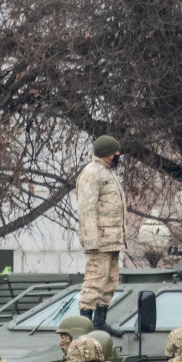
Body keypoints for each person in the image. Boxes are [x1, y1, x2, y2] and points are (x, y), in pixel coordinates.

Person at [74, 134, 126, 333]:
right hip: (100, 241)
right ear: (107, 154)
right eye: (115, 152)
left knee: (110, 281)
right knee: (94, 282)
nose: (118, 155)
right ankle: (85, 326)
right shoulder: (92, 173)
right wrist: (91, 241)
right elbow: (87, 209)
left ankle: (99, 323)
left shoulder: (108, 172)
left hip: (112, 240)